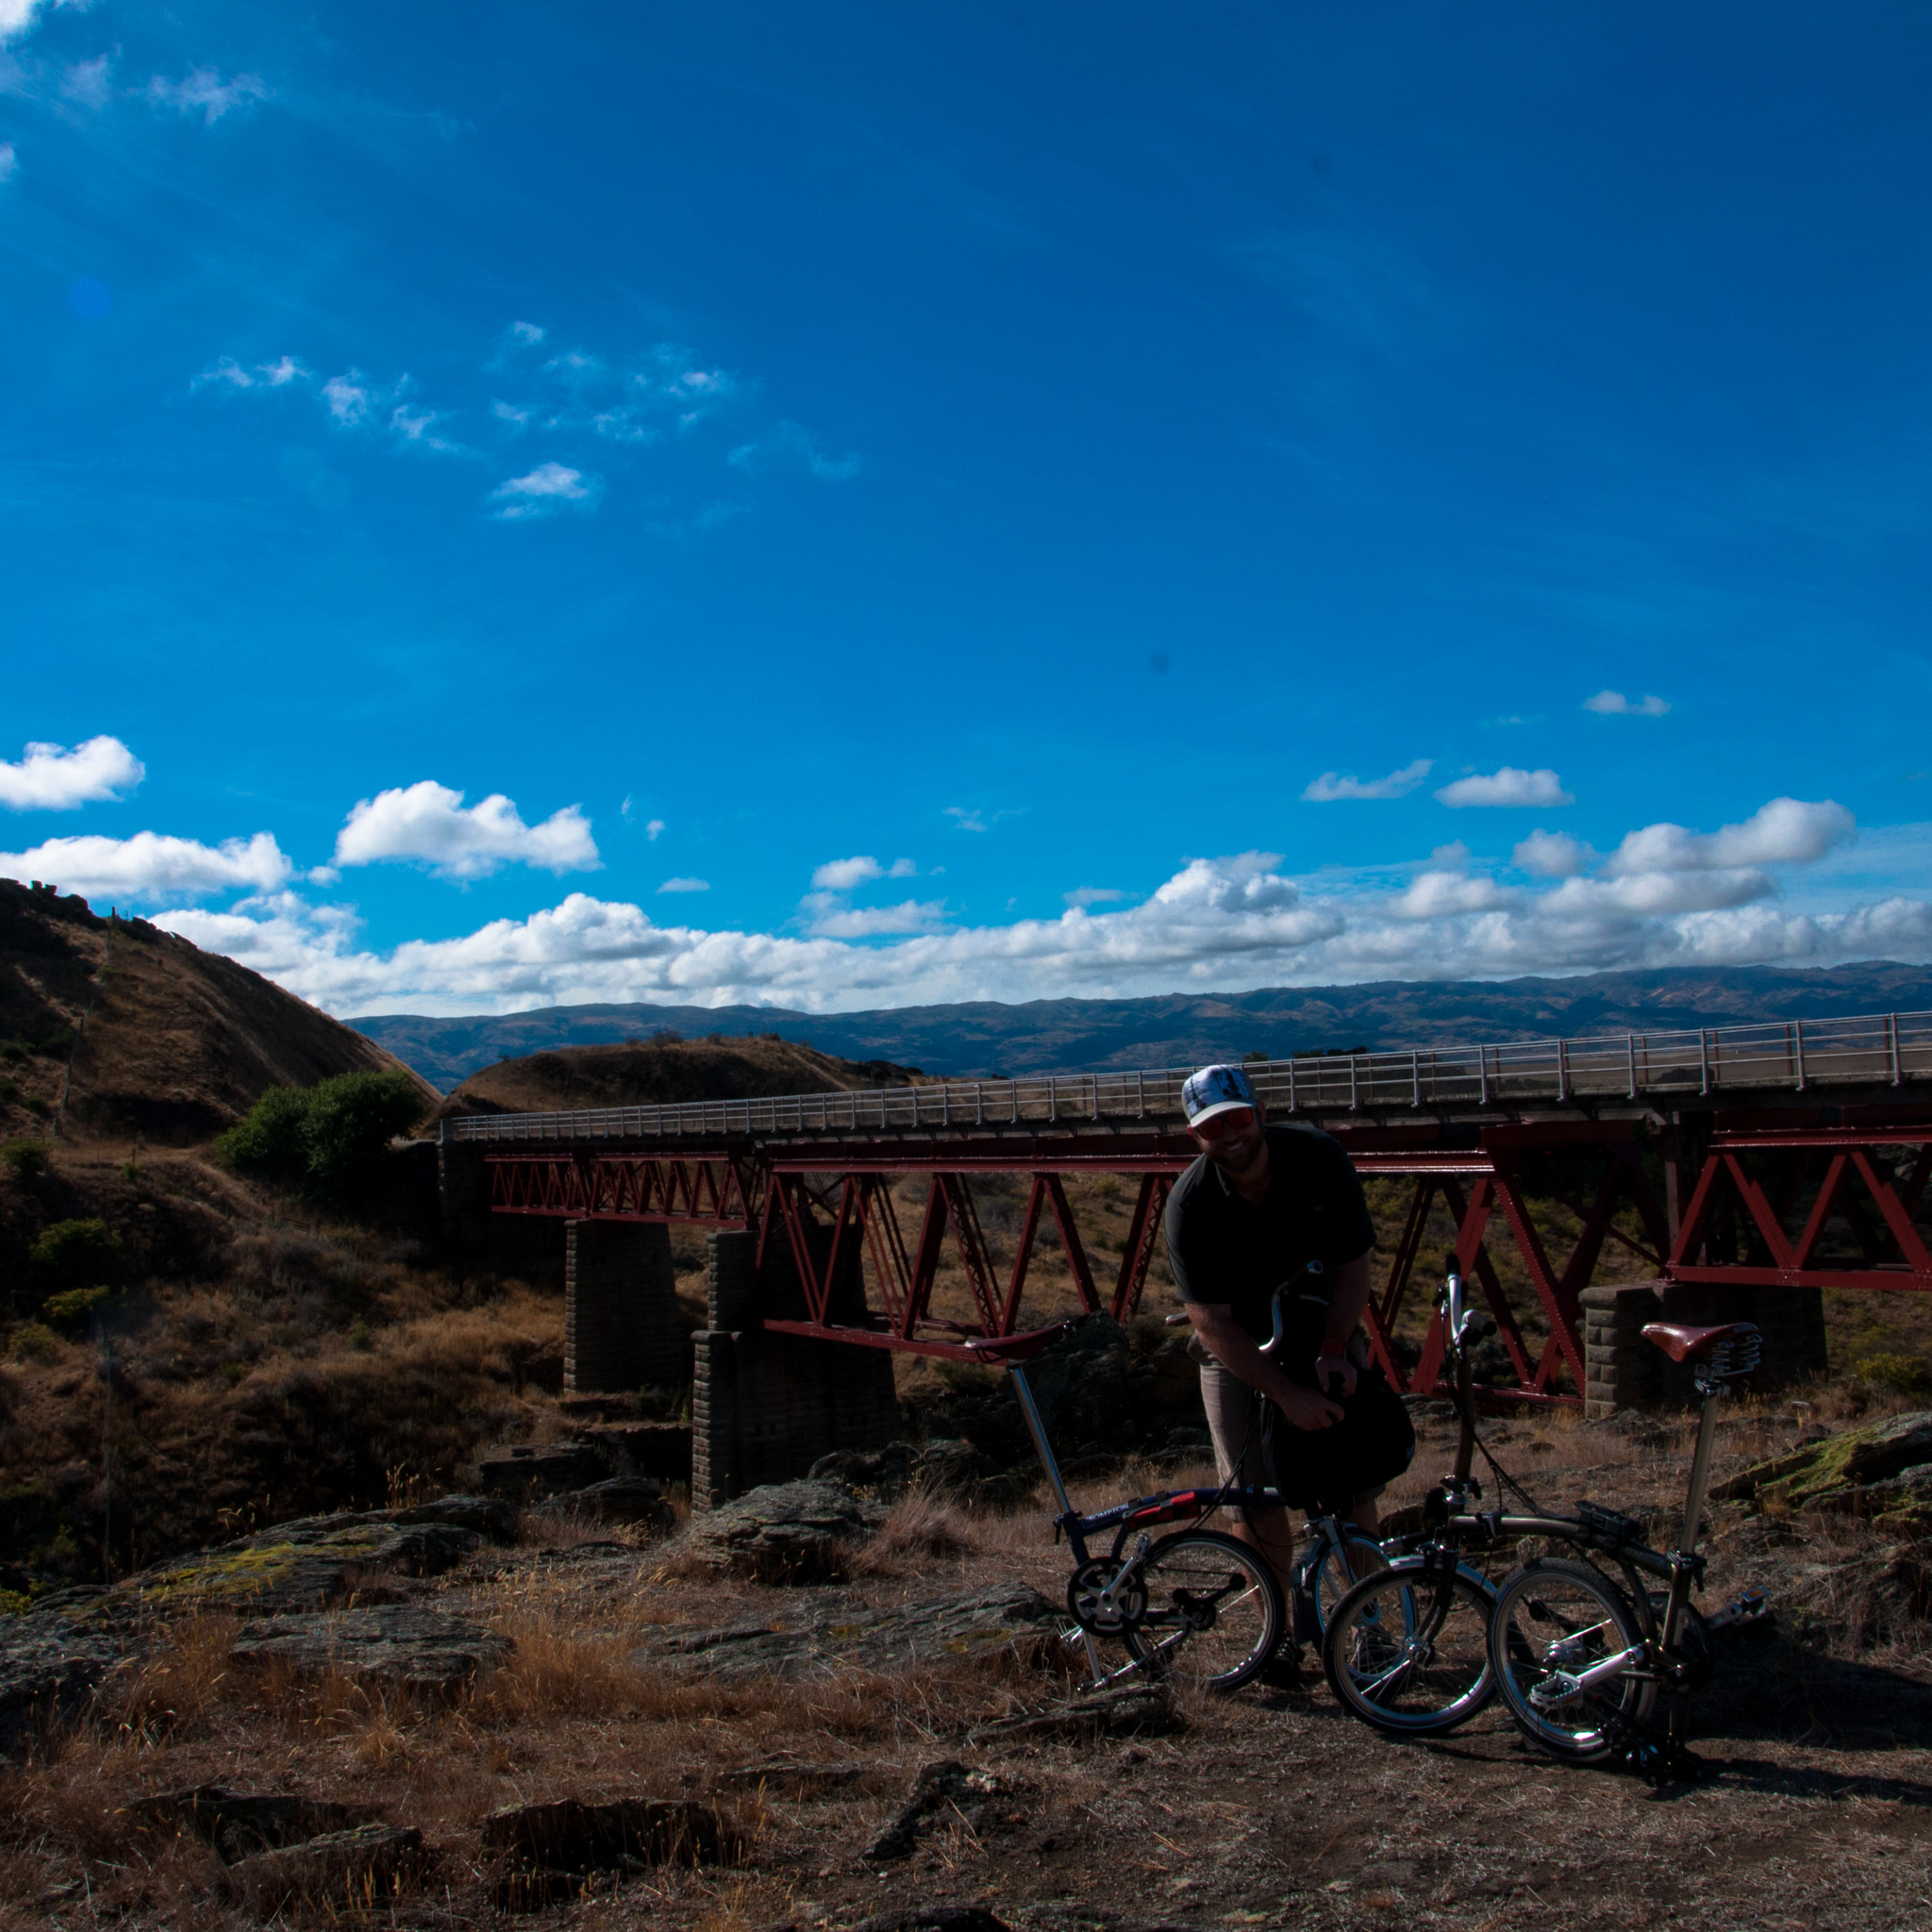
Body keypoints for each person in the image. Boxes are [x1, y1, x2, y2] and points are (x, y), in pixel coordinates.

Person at [1162, 1061, 1387, 1620]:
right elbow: (1210, 1321)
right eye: (1212, 1128)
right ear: (1195, 1136)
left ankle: (1370, 1620)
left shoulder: (1318, 1157)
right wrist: (1288, 1395)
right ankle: (1277, 1630)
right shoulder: (1189, 1205)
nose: (1229, 1136)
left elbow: (1353, 1265)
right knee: (1251, 1492)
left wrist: (1334, 1349)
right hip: (1237, 1347)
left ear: (1260, 1113)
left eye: (1237, 1119)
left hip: (1321, 1326)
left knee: (1351, 1483)